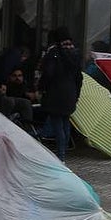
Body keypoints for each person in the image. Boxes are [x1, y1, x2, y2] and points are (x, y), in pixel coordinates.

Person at [37, 27, 83, 163]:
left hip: (55, 92)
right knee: (65, 122)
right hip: (70, 93)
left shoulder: (54, 53)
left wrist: (41, 87)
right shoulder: (74, 53)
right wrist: (76, 94)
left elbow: (48, 74)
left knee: (57, 124)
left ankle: (60, 156)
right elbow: (79, 77)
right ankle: (63, 155)